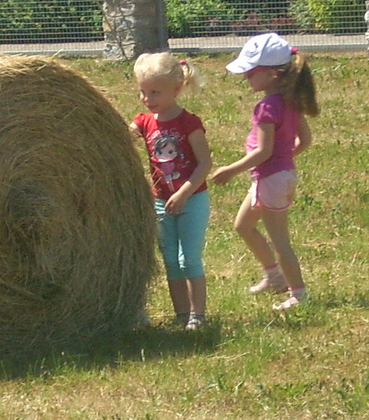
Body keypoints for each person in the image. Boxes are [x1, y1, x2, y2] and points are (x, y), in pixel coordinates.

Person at [210, 32, 318, 312]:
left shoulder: (266, 107)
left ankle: (298, 294)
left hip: (270, 179)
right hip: (279, 177)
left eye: (251, 73)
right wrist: (284, 160)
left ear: (271, 73)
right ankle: (273, 275)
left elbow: (263, 152)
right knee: (242, 225)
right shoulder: (291, 101)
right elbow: (304, 141)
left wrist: (229, 170)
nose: (246, 78)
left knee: (280, 240)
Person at [131, 52, 212, 329]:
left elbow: (205, 163)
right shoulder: (144, 121)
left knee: (188, 258)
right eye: (143, 91)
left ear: (176, 89)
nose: (147, 98)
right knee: (170, 261)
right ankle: (181, 314)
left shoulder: (189, 123)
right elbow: (119, 135)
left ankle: (197, 315)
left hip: (191, 199)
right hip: (161, 202)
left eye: (155, 92)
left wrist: (184, 193)